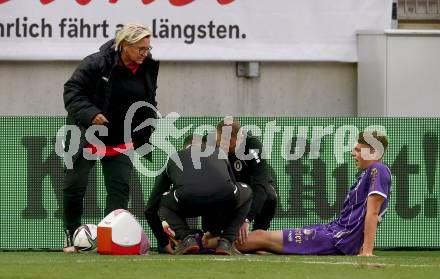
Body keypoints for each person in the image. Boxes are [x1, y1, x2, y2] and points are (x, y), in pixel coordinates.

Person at [62, 23, 159, 252]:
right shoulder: (96, 63)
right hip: (87, 130)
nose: (145, 53)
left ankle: (112, 237)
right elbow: (72, 91)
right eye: (140, 49)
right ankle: (72, 233)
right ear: (124, 45)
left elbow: (149, 98)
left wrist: (148, 122)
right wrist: (91, 113)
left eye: (148, 48)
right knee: (75, 185)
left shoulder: (146, 66)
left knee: (120, 187)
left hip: (120, 134)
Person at [230, 131, 391, 256]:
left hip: (338, 239)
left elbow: (373, 212)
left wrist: (367, 251)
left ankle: (216, 242)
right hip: (334, 232)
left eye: (358, 150)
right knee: (263, 238)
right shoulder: (368, 173)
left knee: (262, 237)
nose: (352, 153)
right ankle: (216, 240)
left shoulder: (379, 170)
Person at [145, 135, 252, 255]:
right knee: (245, 191)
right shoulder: (219, 153)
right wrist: (214, 231)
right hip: (221, 200)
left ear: (185, 147)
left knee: (162, 199)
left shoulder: (174, 157)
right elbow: (232, 196)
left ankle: (187, 239)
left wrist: (163, 242)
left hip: (188, 202)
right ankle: (226, 242)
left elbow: (150, 209)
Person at [216, 119, 278, 243]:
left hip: (252, 185)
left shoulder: (253, 146)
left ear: (241, 137)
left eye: (230, 146)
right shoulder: (211, 144)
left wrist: (246, 219)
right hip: (230, 185)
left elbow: (260, 185)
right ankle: (213, 234)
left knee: (270, 197)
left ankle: (259, 237)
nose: (225, 149)